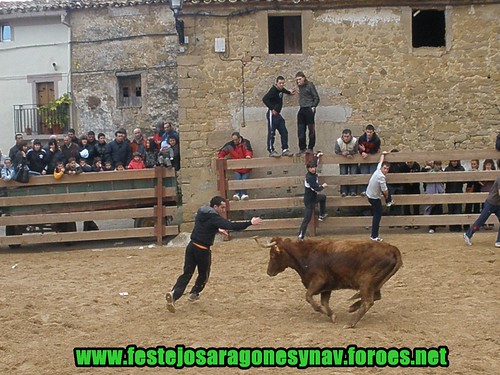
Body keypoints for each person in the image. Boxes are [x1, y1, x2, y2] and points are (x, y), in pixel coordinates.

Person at [165, 196, 263, 313]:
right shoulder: (214, 218)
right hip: (202, 250)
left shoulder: (201, 212)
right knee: (204, 275)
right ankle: (194, 293)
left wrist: (216, 229)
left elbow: (205, 226)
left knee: (187, 273)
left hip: (191, 247)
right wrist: (250, 222)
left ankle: (174, 295)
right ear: (215, 207)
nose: (223, 210)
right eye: (221, 207)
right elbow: (231, 226)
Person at [262, 75, 295, 157]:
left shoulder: (281, 89)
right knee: (272, 132)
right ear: (276, 83)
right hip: (272, 114)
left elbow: (283, 90)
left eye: (283, 83)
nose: (281, 85)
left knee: (284, 131)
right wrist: (272, 108)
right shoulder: (273, 90)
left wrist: (289, 92)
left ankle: (285, 149)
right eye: (280, 83)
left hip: (278, 115)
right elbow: (265, 99)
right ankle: (271, 150)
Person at [297, 152, 328, 240]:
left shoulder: (313, 173)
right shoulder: (309, 178)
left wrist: (317, 156)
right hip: (309, 200)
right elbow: (315, 189)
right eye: (311, 168)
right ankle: (301, 235)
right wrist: (323, 186)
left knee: (323, 198)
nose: (313, 169)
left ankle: (322, 214)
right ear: (308, 169)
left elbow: (315, 162)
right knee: (307, 218)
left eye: (313, 167)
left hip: (313, 198)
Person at [464, 176, 500, 248]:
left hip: (499, 204)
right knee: (481, 220)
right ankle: (468, 235)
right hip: (491, 203)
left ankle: (499, 241)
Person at [217, 131, 253, 201]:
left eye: (236, 140)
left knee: (244, 181)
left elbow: (248, 150)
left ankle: (243, 194)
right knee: (237, 180)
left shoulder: (245, 142)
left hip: (246, 167)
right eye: (233, 140)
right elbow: (222, 152)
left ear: (239, 138)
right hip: (237, 167)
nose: (234, 141)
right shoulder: (230, 145)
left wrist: (248, 156)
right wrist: (220, 157)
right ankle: (237, 194)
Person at [365, 151, 392, 242]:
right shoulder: (381, 177)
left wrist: (383, 155)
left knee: (377, 214)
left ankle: (374, 235)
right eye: (384, 168)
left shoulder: (378, 169)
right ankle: (374, 235)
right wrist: (387, 198)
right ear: (382, 168)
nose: (385, 170)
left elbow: (380, 161)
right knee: (377, 216)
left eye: (387, 169)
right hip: (374, 198)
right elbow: (385, 191)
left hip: (370, 194)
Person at [294, 71, 320, 156]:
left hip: (309, 108)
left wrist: (313, 106)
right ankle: (302, 148)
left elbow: (316, 97)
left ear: (304, 78)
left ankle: (310, 148)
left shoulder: (310, 85)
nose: (298, 81)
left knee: (311, 130)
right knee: (300, 130)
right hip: (302, 108)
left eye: (300, 79)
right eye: (297, 80)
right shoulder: (299, 86)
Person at [358, 124, 381, 195]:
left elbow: (375, 150)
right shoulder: (361, 138)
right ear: (365, 131)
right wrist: (362, 152)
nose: (369, 134)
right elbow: (358, 147)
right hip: (364, 159)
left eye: (370, 132)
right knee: (364, 174)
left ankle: (372, 191)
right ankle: (364, 190)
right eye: (367, 132)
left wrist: (366, 151)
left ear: (373, 132)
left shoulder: (376, 140)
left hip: (373, 159)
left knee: (372, 175)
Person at [334, 128, 359, 196]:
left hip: (353, 159)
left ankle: (353, 191)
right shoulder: (338, 141)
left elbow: (356, 151)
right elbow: (336, 151)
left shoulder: (354, 141)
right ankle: (344, 191)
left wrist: (349, 153)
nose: (346, 138)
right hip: (342, 160)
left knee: (353, 174)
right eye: (344, 136)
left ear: (350, 136)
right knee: (343, 174)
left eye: (347, 136)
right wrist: (342, 153)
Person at [424, 160, 444, 234]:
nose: (437, 166)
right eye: (436, 165)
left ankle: (436, 224)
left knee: (438, 209)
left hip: (439, 193)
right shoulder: (429, 172)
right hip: (431, 193)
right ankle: (431, 227)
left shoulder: (441, 172)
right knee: (431, 209)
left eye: (439, 165)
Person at [445, 160, 465, 232]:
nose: (454, 162)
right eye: (452, 161)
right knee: (451, 210)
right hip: (449, 192)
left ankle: (458, 226)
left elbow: (464, 180)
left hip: (458, 191)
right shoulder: (447, 169)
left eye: (455, 161)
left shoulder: (461, 168)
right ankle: (452, 226)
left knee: (458, 209)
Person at [400, 160, 421, 230]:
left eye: (411, 163)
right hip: (406, 187)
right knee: (406, 206)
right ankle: (407, 223)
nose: (409, 164)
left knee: (416, 205)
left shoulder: (417, 166)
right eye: (408, 163)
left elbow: (418, 176)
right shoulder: (403, 167)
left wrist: (413, 181)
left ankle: (416, 222)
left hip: (415, 187)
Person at [479, 159, 496, 230]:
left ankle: (491, 223)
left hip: (492, 192)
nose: (488, 166)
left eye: (489, 165)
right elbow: (481, 183)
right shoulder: (483, 172)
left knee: (492, 208)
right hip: (484, 190)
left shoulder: (495, 173)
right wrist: (486, 175)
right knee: (484, 208)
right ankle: (483, 223)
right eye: (487, 165)